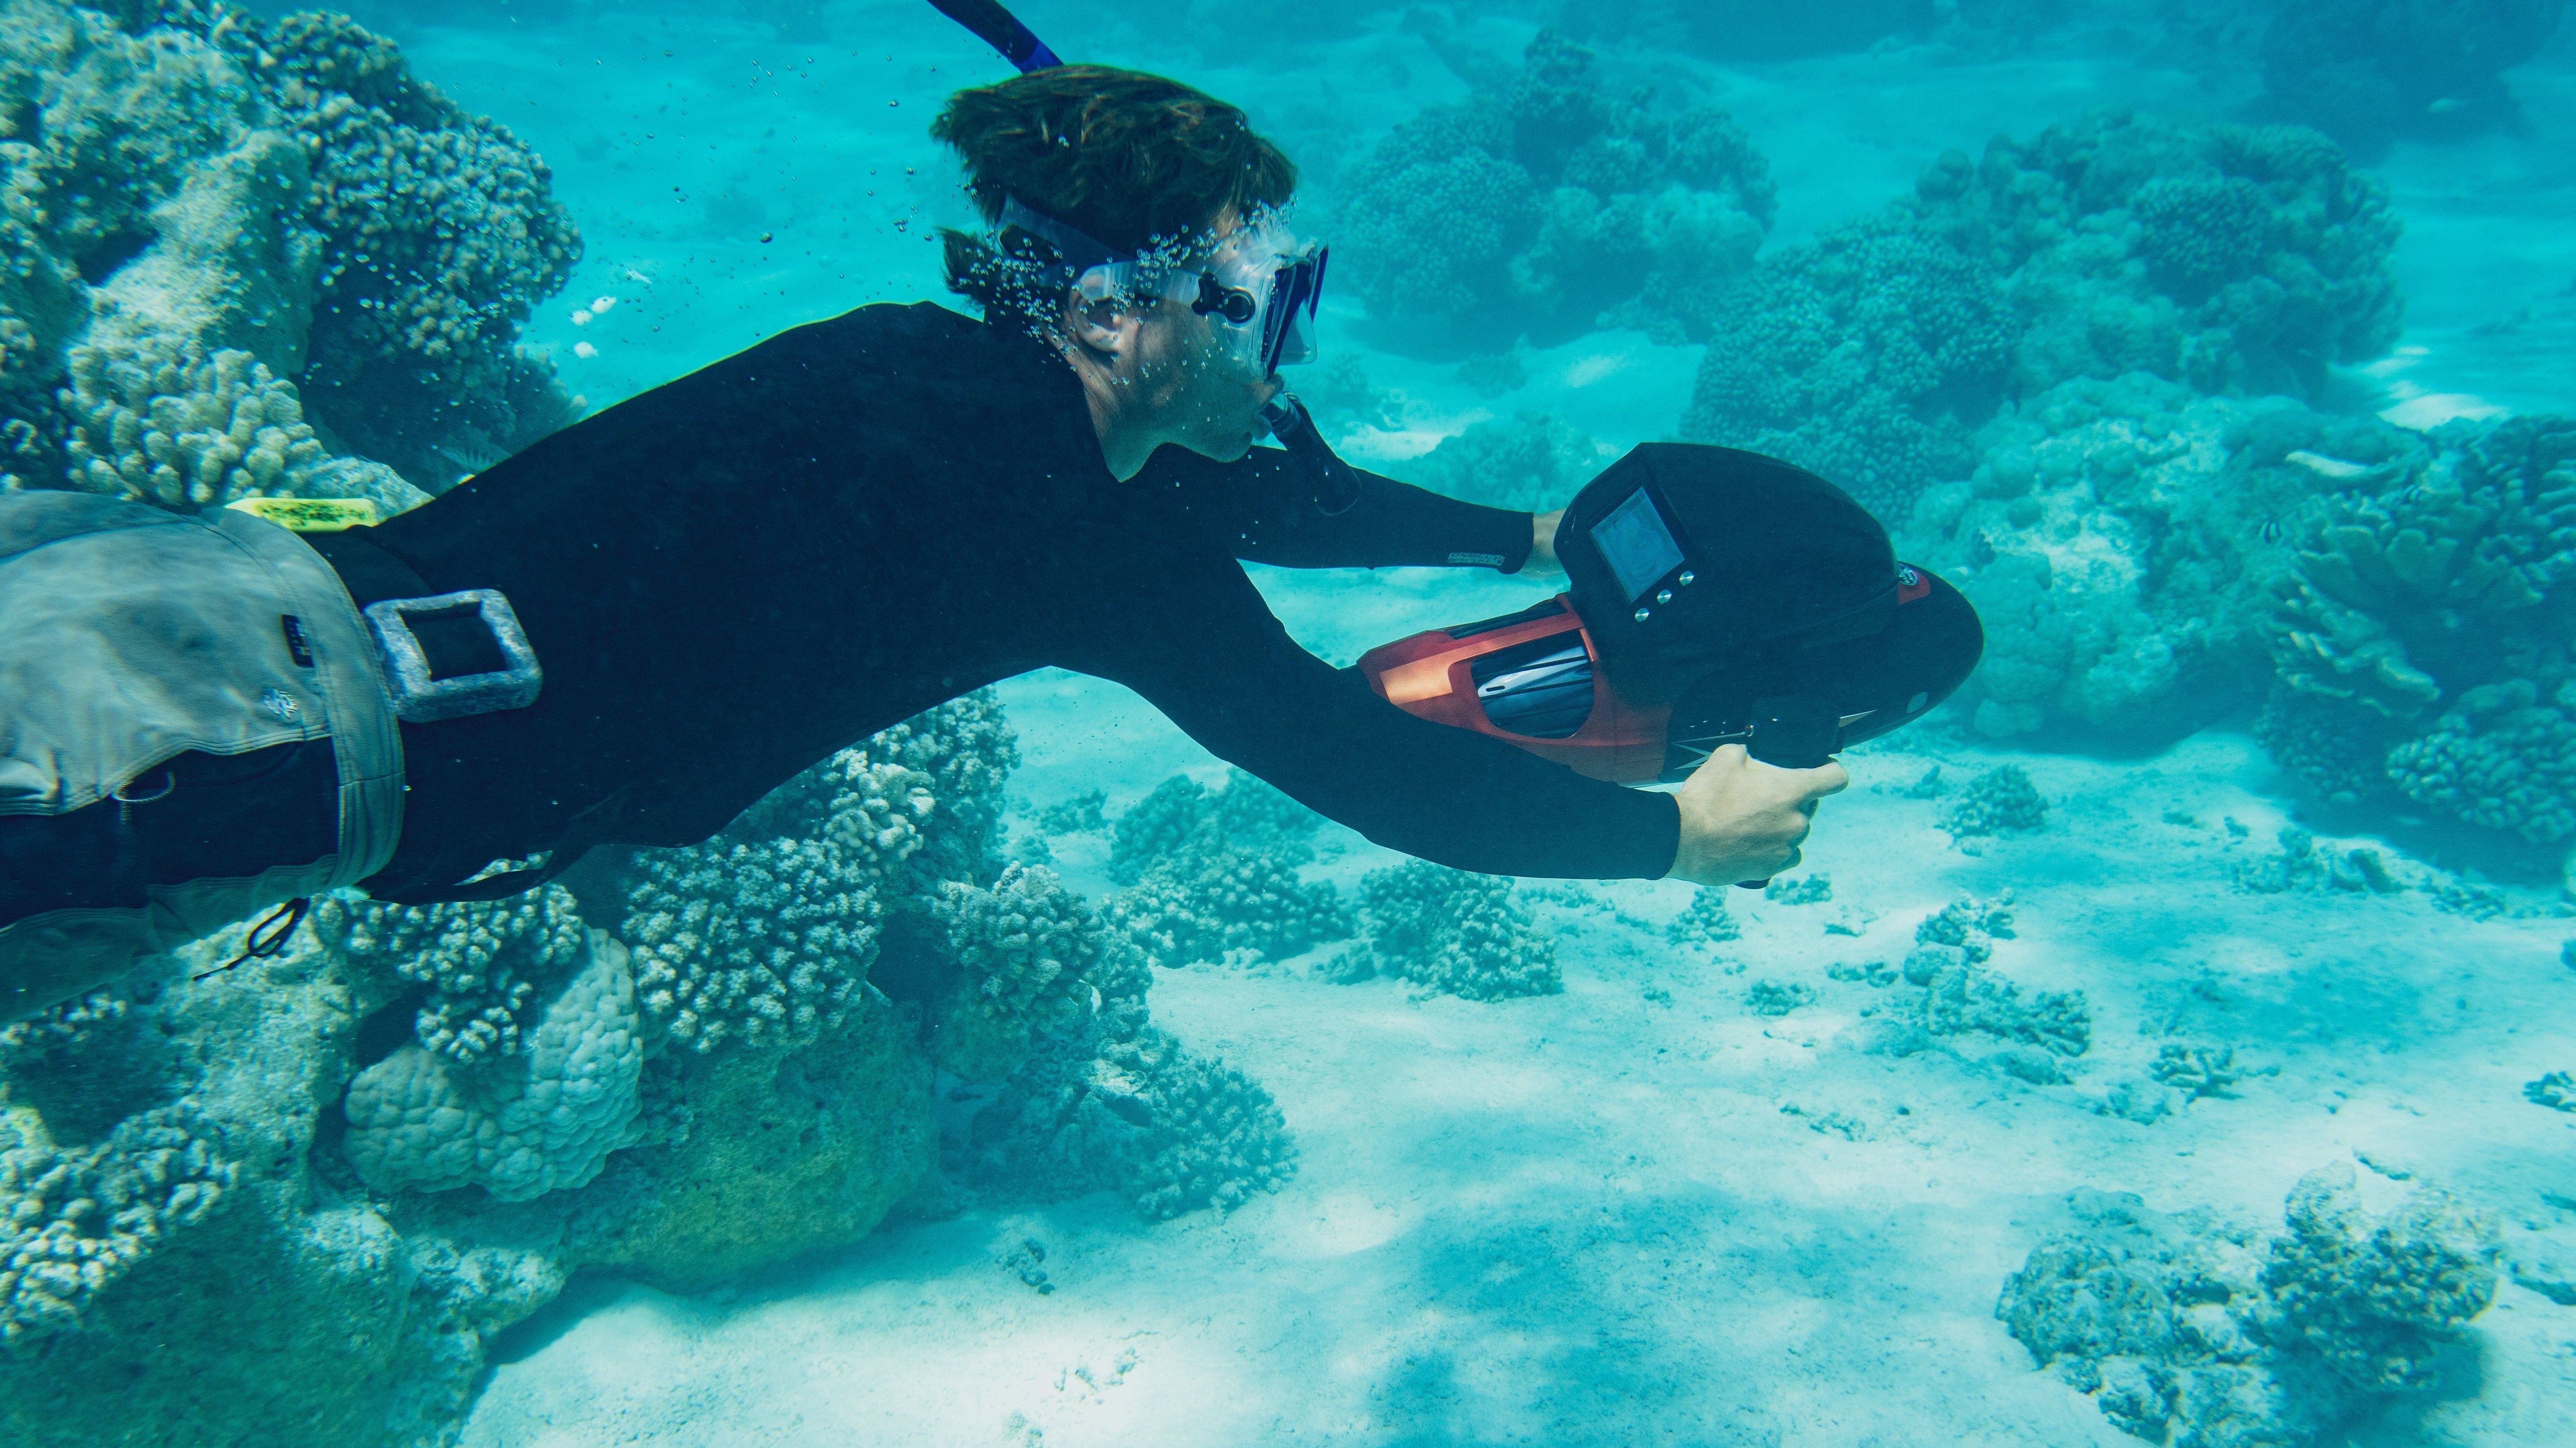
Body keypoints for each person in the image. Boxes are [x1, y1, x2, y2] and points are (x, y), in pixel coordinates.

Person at [0, 64, 1844, 1023]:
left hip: (177, 589)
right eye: (1267, 307)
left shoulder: (947, 390)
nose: (1291, 353)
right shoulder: (1059, 519)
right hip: (219, 742)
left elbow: (1252, 494)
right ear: (1127, 315)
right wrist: (1673, 837)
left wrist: (1523, 528)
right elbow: (1355, 760)